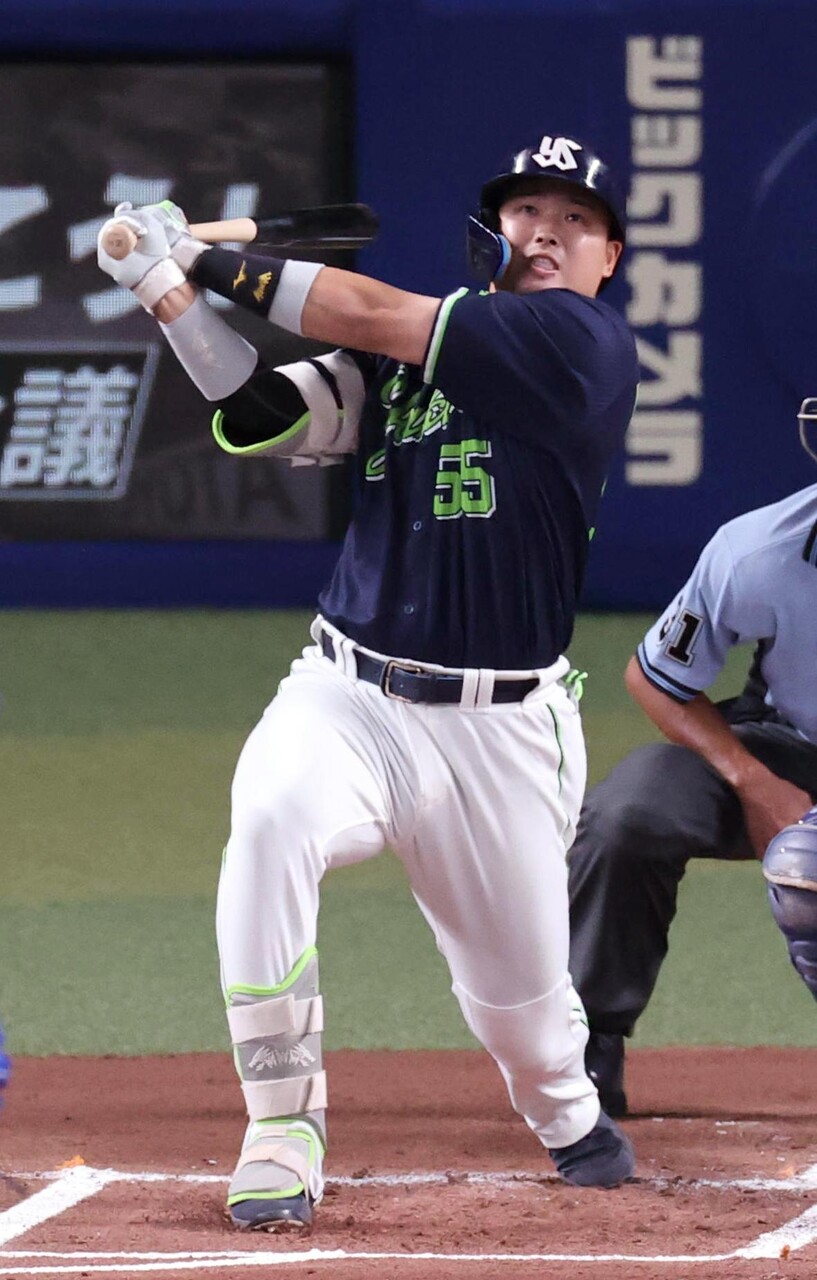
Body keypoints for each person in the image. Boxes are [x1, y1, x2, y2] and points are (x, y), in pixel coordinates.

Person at [96, 131, 639, 1232]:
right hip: (347, 690)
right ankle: (280, 1124)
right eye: (528, 212)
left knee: (527, 1023)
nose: (547, 232)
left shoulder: (578, 343)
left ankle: (568, 1112)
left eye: (575, 219)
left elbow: (363, 309)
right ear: (495, 230)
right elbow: (261, 415)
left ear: (608, 257)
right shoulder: (409, 358)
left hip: (499, 730)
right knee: (269, 818)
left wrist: (194, 256)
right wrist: (162, 289)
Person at [568, 400, 817, 1118]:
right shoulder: (757, 553)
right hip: (789, 745)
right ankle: (588, 1043)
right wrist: (753, 781)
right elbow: (656, 678)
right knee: (630, 812)